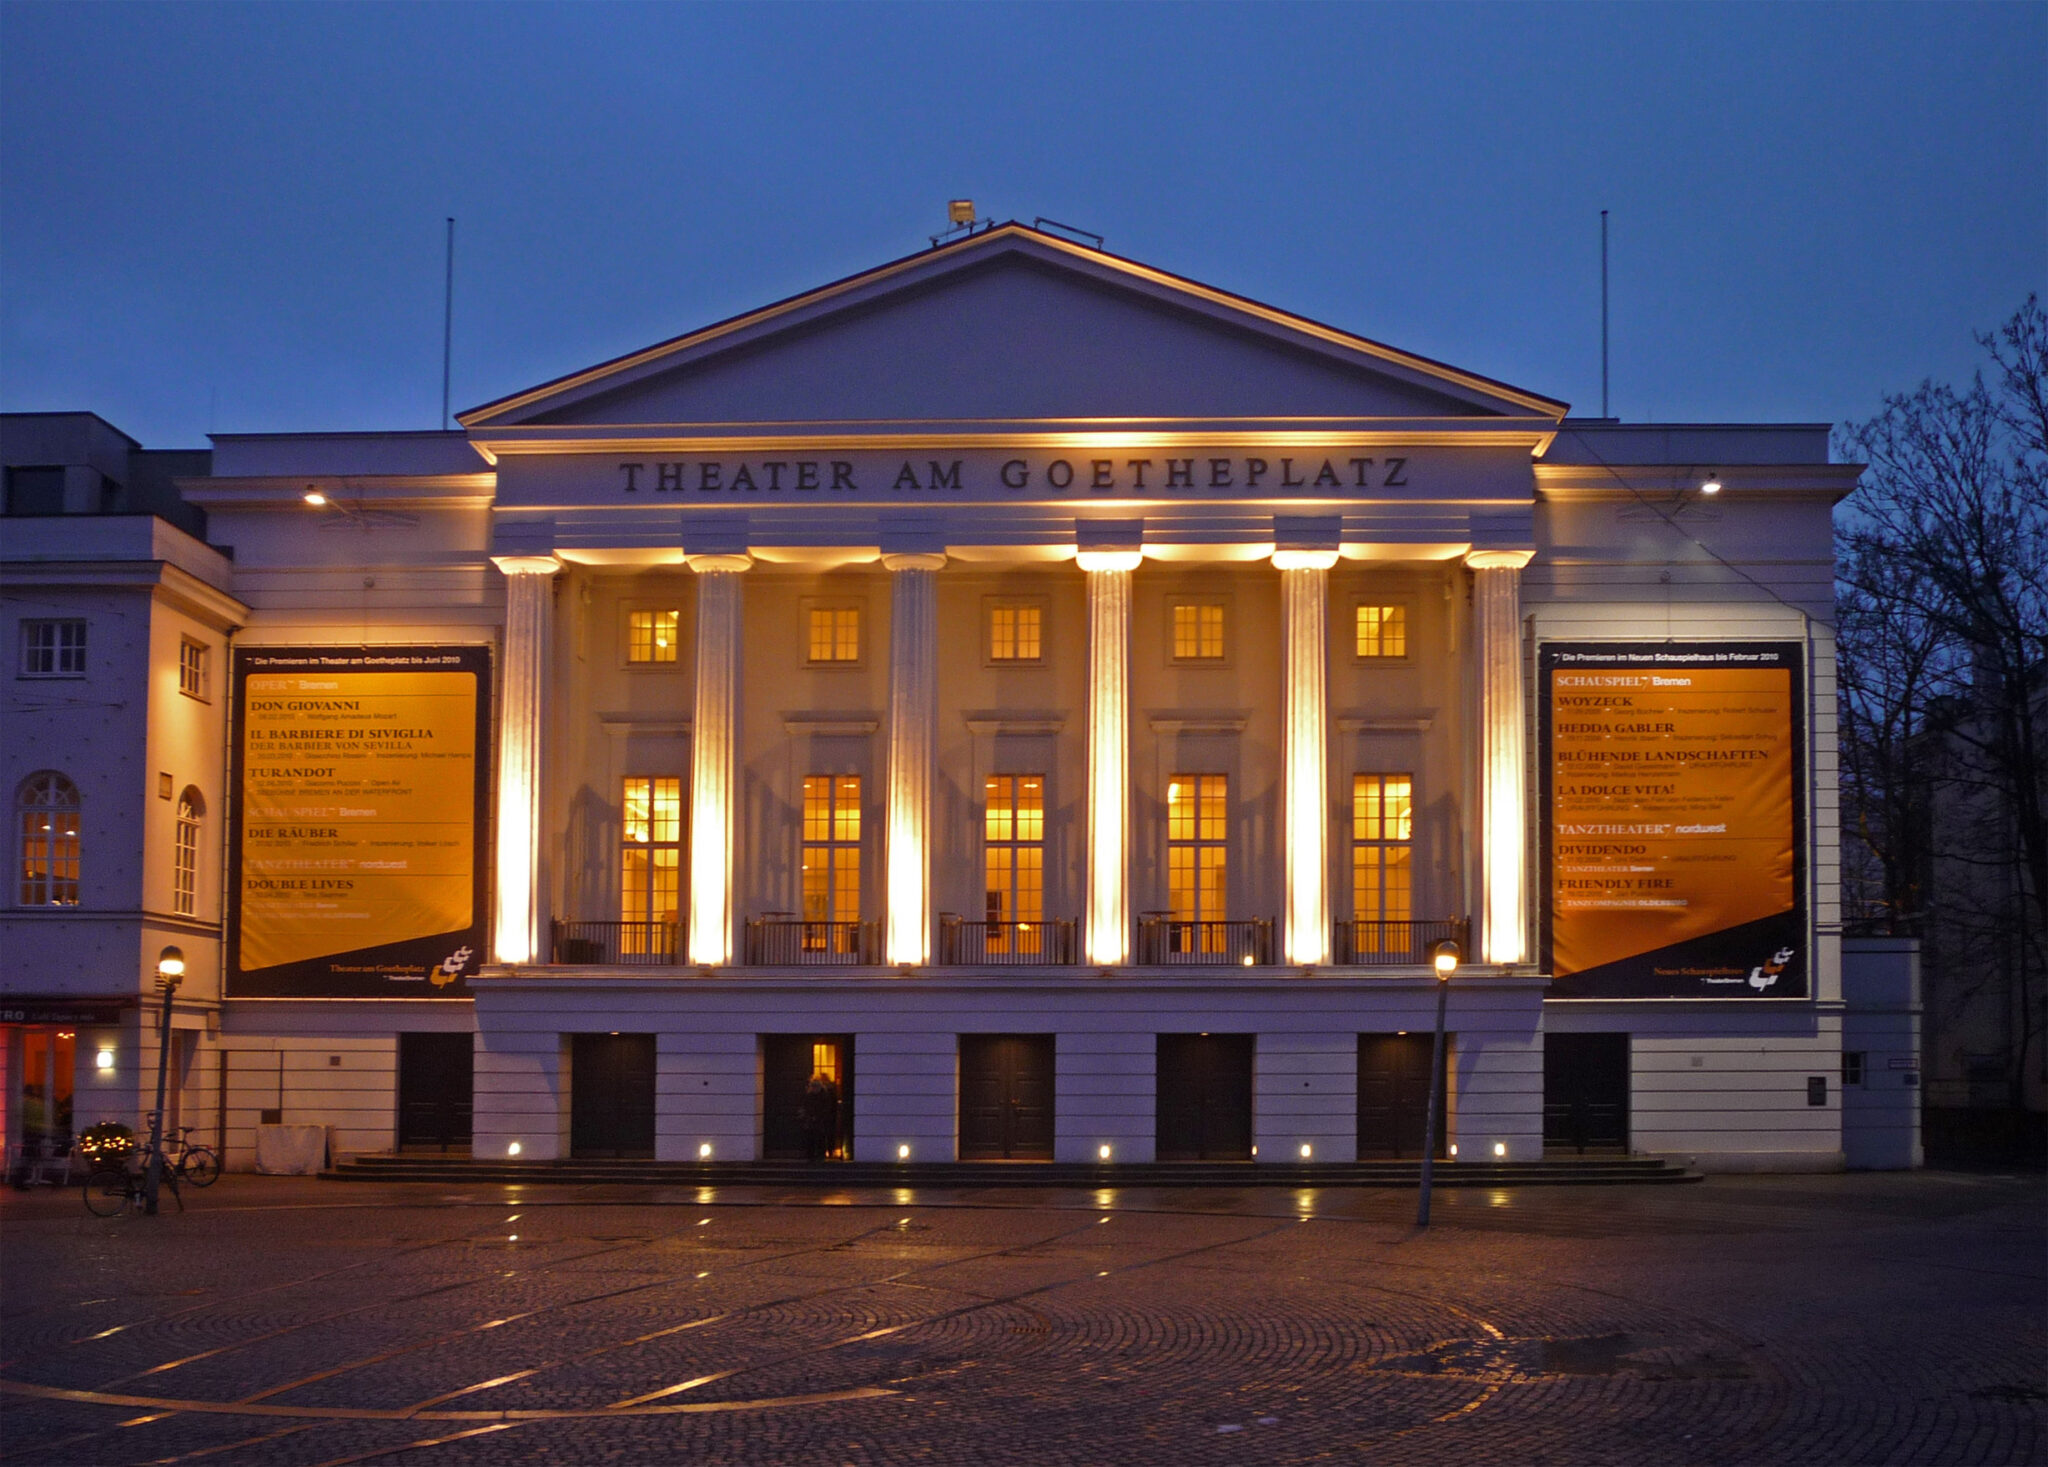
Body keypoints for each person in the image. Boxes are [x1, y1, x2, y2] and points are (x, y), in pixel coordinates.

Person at [801, 1069, 840, 1162]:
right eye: (813, 1086)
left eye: (816, 1086)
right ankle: (812, 1155)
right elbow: (806, 1106)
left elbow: (826, 1108)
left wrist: (817, 1116)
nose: (814, 1088)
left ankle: (819, 1155)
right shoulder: (815, 1096)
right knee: (812, 1138)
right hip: (813, 1120)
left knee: (820, 1138)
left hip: (820, 1120)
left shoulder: (823, 1096)